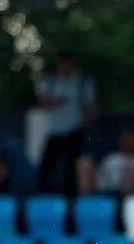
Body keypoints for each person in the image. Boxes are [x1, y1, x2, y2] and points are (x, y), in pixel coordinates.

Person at [37, 54, 97, 196]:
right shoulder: (51, 82)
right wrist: (53, 101)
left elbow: (90, 107)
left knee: (72, 168)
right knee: (46, 166)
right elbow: (41, 104)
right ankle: (41, 196)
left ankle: (72, 200)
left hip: (74, 131)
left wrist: (82, 124)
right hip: (55, 131)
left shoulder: (82, 82)